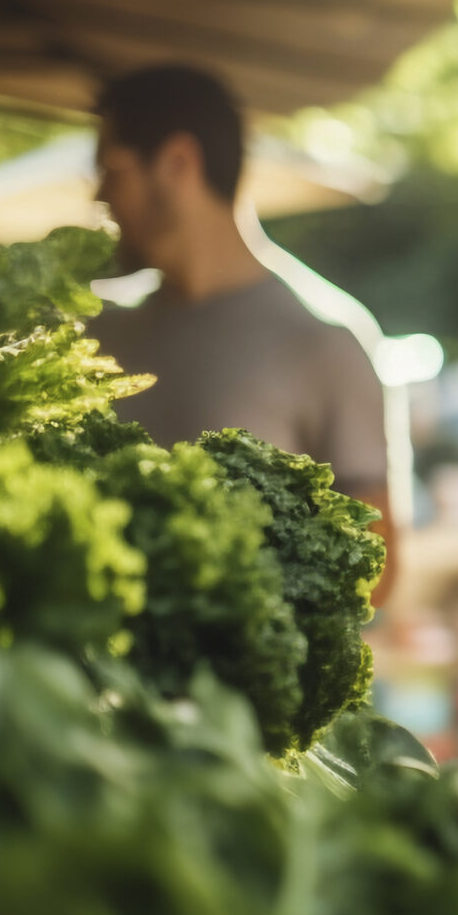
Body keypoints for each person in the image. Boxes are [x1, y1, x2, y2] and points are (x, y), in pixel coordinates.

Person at [87, 64, 400, 598]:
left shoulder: (323, 341)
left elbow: (377, 570)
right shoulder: (95, 338)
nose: (100, 196)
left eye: (113, 170)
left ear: (178, 163)